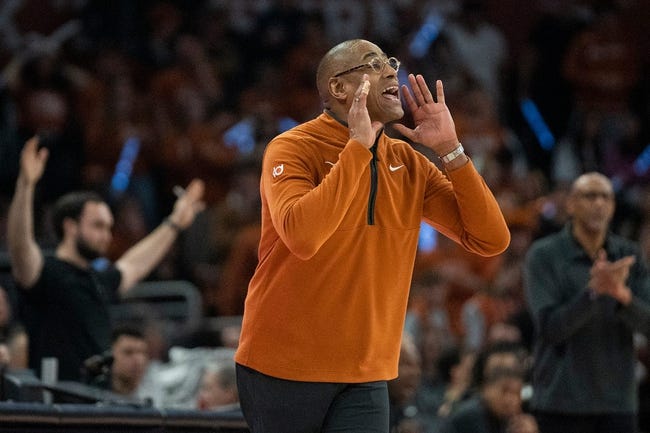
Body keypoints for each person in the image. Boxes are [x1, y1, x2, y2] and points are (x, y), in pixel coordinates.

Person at [234, 38, 510, 432]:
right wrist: (358, 149)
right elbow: (303, 236)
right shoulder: (292, 148)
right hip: (283, 365)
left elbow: (491, 239)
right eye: (372, 64)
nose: (389, 71)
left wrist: (450, 149)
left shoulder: (409, 163)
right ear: (339, 89)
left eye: (390, 62)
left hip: (365, 374)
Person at [6, 136, 205, 381]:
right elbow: (19, 245)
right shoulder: (45, 272)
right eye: (98, 226)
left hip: (98, 401)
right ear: (70, 226)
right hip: (57, 403)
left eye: (109, 228)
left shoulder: (99, 280)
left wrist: (174, 223)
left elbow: (134, 263)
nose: (106, 236)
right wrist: (26, 185)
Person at [523, 172, 650, 433]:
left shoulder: (629, 255)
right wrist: (592, 294)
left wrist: (622, 296)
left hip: (618, 403)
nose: (598, 203)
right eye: (589, 196)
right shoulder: (544, 255)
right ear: (570, 204)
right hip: (560, 402)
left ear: (613, 206)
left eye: (606, 197)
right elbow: (550, 328)